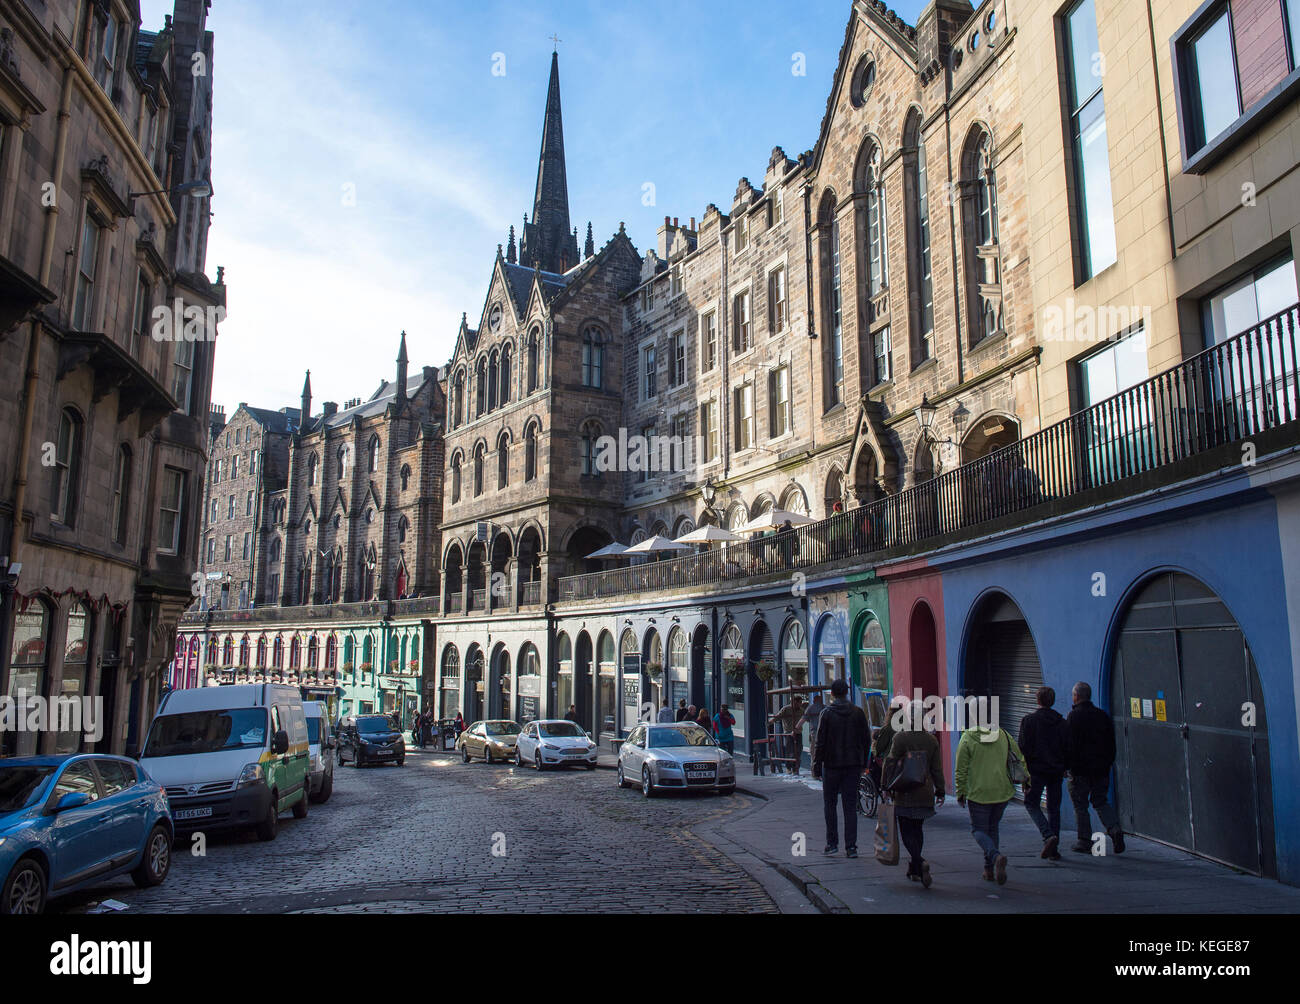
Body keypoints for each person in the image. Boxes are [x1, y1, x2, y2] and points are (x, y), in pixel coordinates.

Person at [955, 723, 1028, 884]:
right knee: (993, 828)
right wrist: (1026, 779)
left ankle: (995, 857)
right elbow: (1018, 756)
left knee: (978, 830)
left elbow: (961, 768)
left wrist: (960, 792)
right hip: (1002, 791)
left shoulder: (967, 737)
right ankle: (989, 869)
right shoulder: (1002, 734)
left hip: (978, 792)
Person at [884, 701, 945, 887]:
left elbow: (890, 763)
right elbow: (936, 769)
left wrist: (885, 786)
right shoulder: (931, 740)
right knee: (917, 830)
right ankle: (915, 869)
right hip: (924, 791)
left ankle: (919, 861)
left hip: (904, 792)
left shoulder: (901, 738)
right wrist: (940, 790)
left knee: (906, 832)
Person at [813, 679, 869, 857]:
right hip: (852, 766)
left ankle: (832, 843)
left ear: (833, 694)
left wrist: (816, 765)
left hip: (831, 766)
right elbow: (866, 740)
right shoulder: (858, 713)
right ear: (847, 692)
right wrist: (863, 763)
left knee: (830, 805)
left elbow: (819, 742)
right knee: (850, 806)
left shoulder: (827, 713)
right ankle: (851, 847)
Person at [1066, 681, 1124, 854]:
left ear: (1076, 696)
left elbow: (1070, 744)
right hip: (1101, 769)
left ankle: (1084, 840)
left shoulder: (1073, 717)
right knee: (1100, 801)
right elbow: (1111, 744)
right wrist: (1107, 763)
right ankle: (1114, 829)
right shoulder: (1102, 715)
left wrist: (1068, 765)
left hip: (1080, 770)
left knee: (1080, 805)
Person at [1019, 685, 1069, 859]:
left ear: (1037, 700)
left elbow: (1023, 747)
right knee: (1054, 808)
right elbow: (1067, 747)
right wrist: (1065, 767)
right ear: (1052, 701)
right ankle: (1054, 850)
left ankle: (1048, 835)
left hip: (1036, 770)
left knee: (1031, 803)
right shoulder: (1061, 722)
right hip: (1056, 770)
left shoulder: (1029, 721)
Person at [772, 696, 806, 775]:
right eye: (799, 702)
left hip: (798, 733)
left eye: (801, 702)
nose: (800, 704)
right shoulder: (786, 709)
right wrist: (771, 722)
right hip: (788, 733)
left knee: (798, 750)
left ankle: (795, 768)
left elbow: (806, 717)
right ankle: (788, 768)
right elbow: (778, 717)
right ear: (794, 702)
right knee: (790, 751)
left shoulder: (801, 710)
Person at [797, 693, 826, 766]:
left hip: (815, 733)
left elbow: (803, 719)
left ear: (814, 700)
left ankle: (815, 771)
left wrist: (796, 728)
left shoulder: (810, 708)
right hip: (825, 733)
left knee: (814, 752)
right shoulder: (825, 708)